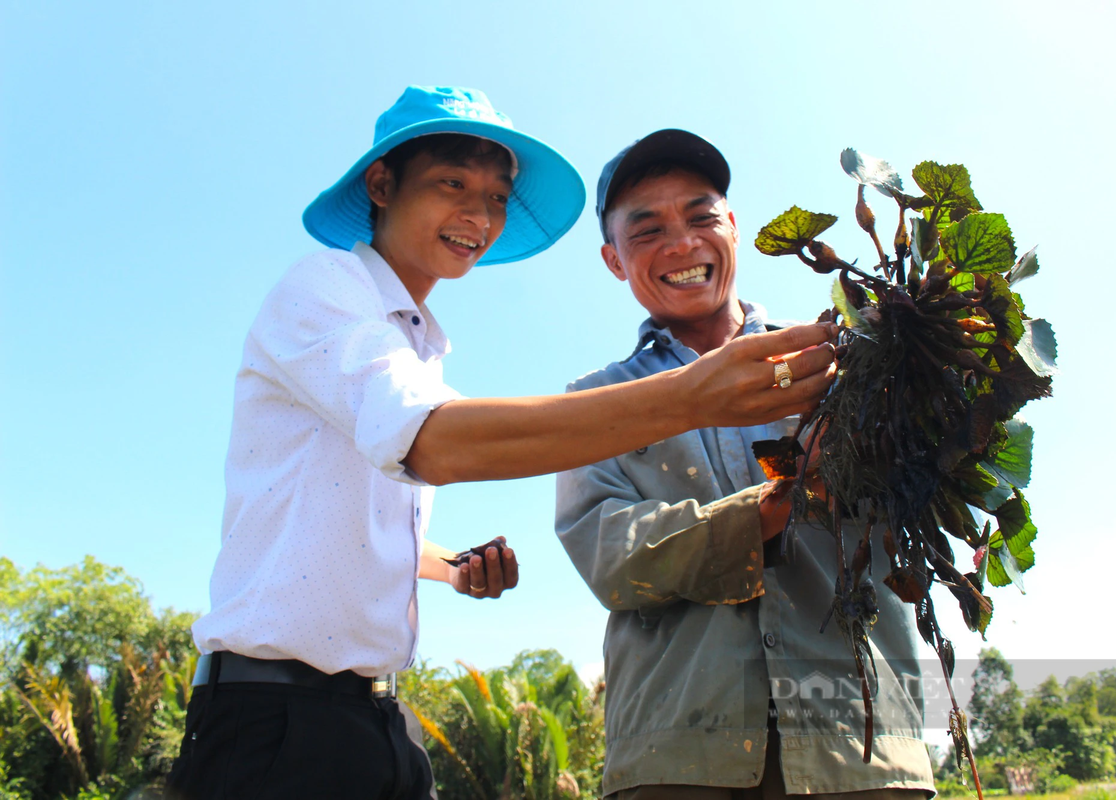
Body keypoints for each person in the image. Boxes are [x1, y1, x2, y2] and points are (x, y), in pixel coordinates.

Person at [165, 88, 837, 800]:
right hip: (273, 719)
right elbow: (434, 444)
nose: (479, 216)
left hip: (374, 717)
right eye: (453, 183)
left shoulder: (414, 344)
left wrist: (451, 567)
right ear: (382, 184)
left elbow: (342, 519)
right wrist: (691, 396)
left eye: (496, 197)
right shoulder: (324, 287)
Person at [555, 129, 938, 799]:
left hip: (864, 747)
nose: (682, 243)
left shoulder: (845, 359)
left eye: (701, 217)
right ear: (614, 260)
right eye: (646, 231)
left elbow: (918, 497)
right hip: (677, 760)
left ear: (732, 226)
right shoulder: (595, 403)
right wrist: (789, 497)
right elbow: (614, 558)